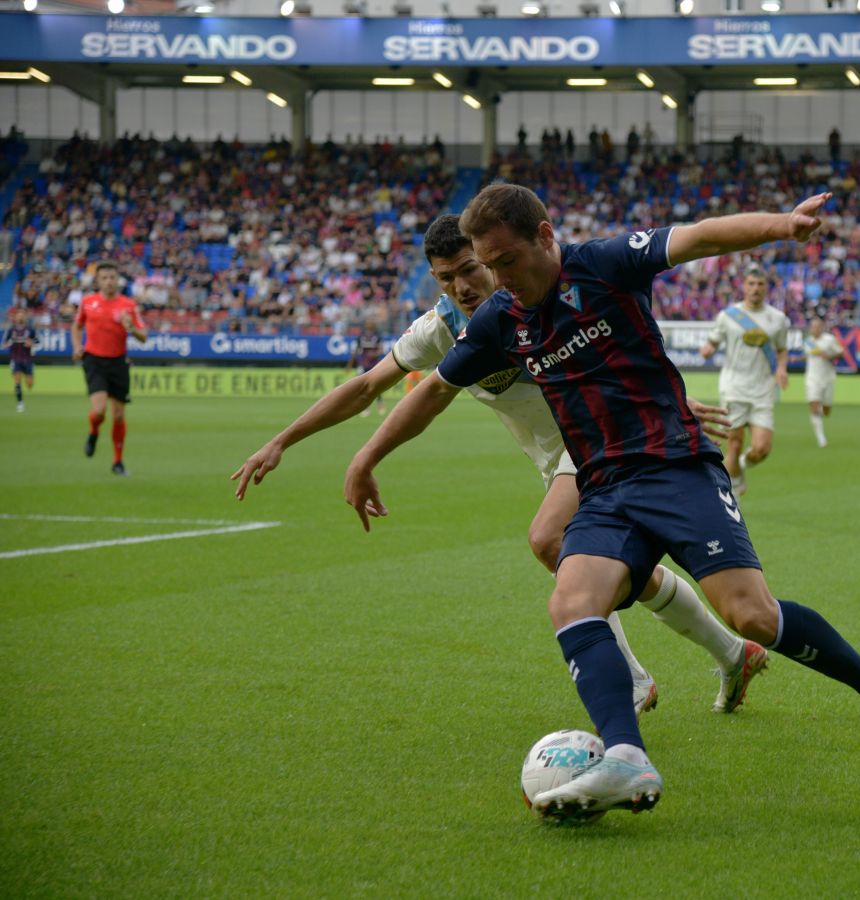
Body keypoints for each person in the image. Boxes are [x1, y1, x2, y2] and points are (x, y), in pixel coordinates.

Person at [343, 184, 860, 824]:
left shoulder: (603, 264)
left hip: (675, 466)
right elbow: (432, 392)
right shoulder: (501, 318)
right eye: (488, 265)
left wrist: (783, 224)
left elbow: (700, 236)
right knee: (572, 602)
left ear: (545, 237)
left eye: (506, 261)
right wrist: (366, 458)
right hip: (603, 487)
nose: (499, 279)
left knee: (752, 615)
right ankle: (626, 755)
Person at [232, 214, 766, 717]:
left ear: (492, 257)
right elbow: (368, 385)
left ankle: (631, 680)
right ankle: (731, 653)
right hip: (558, 459)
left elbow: (615, 350)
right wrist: (282, 441)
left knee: (549, 540)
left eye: (470, 269)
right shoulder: (442, 329)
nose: (461, 286)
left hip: (599, 448)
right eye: (446, 278)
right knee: (616, 571)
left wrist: (663, 400)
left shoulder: (545, 296)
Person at [698, 265, 788, 496]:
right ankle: (732, 495)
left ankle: (740, 467)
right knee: (734, 443)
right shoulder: (728, 316)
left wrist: (781, 369)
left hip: (763, 390)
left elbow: (781, 349)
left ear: (766, 288)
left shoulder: (778, 319)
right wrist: (707, 349)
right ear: (744, 287)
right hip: (734, 387)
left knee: (762, 448)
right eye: (751, 284)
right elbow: (713, 341)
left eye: (760, 284)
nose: (755, 288)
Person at [71, 261, 146, 475]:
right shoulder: (88, 302)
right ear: (98, 281)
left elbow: (143, 336)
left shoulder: (128, 305)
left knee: (119, 416)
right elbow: (76, 326)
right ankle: (93, 431)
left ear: (118, 280)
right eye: (104, 278)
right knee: (99, 410)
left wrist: (131, 328)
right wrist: (76, 347)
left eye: (112, 277)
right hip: (94, 360)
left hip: (118, 362)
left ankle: (117, 462)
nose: (109, 281)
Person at [803, 317, 844, 448]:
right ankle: (821, 438)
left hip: (827, 378)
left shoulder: (829, 340)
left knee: (826, 411)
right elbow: (808, 357)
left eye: (817, 327)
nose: (814, 329)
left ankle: (820, 413)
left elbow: (841, 352)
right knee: (814, 406)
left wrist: (830, 356)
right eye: (812, 327)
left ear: (822, 328)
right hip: (812, 378)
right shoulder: (808, 342)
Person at [347, 324, 387, 417]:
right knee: (364, 387)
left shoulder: (377, 337)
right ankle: (365, 408)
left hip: (374, 365)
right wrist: (350, 363)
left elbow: (381, 350)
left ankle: (379, 404)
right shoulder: (361, 337)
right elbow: (355, 351)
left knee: (375, 385)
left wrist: (375, 353)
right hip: (363, 365)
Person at [4, 307, 37, 412]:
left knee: (29, 384)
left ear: (25, 317)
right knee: (17, 382)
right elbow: (4, 343)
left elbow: (38, 342)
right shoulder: (11, 330)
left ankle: (27, 385)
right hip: (15, 359)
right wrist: (8, 344)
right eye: (18, 315)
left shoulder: (30, 330)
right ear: (15, 317)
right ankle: (20, 403)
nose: (20, 317)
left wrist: (31, 343)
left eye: (22, 315)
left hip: (27, 359)